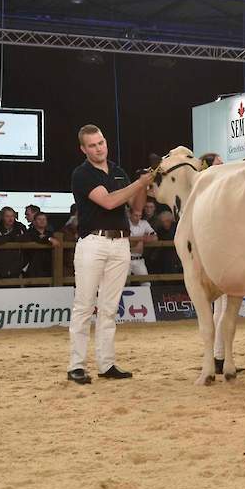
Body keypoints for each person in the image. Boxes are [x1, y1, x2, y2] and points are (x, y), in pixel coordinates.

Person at [67, 124, 152, 385]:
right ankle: (76, 366)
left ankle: (107, 363)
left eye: (101, 143)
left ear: (106, 142)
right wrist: (138, 183)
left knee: (109, 307)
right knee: (84, 305)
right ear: (83, 149)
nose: (98, 148)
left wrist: (143, 188)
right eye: (92, 145)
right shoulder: (81, 174)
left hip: (120, 243)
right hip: (93, 242)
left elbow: (135, 209)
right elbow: (109, 201)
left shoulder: (117, 171)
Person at [0, 206, 27, 279]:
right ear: (2, 217)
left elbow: (25, 238)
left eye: (12, 216)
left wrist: (6, 237)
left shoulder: (20, 227)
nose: (10, 218)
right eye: (7, 216)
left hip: (16, 265)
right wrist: (14, 237)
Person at [24, 212, 60, 279]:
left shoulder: (51, 233)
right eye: (39, 219)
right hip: (33, 267)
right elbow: (38, 239)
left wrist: (48, 238)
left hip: (48, 267)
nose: (42, 221)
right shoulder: (29, 233)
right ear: (34, 222)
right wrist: (49, 239)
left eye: (44, 219)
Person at [128, 208, 155, 279]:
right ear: (130, 214)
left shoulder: (144, 223)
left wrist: (141, 240)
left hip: (139, 259)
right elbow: (124, 239)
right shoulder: (125, 223)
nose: (138, 218)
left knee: (146, 282)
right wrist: (141, 238)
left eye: (140, 215)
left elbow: (155, 237)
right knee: (124, 283)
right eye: (135, 215)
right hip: (126, 258)